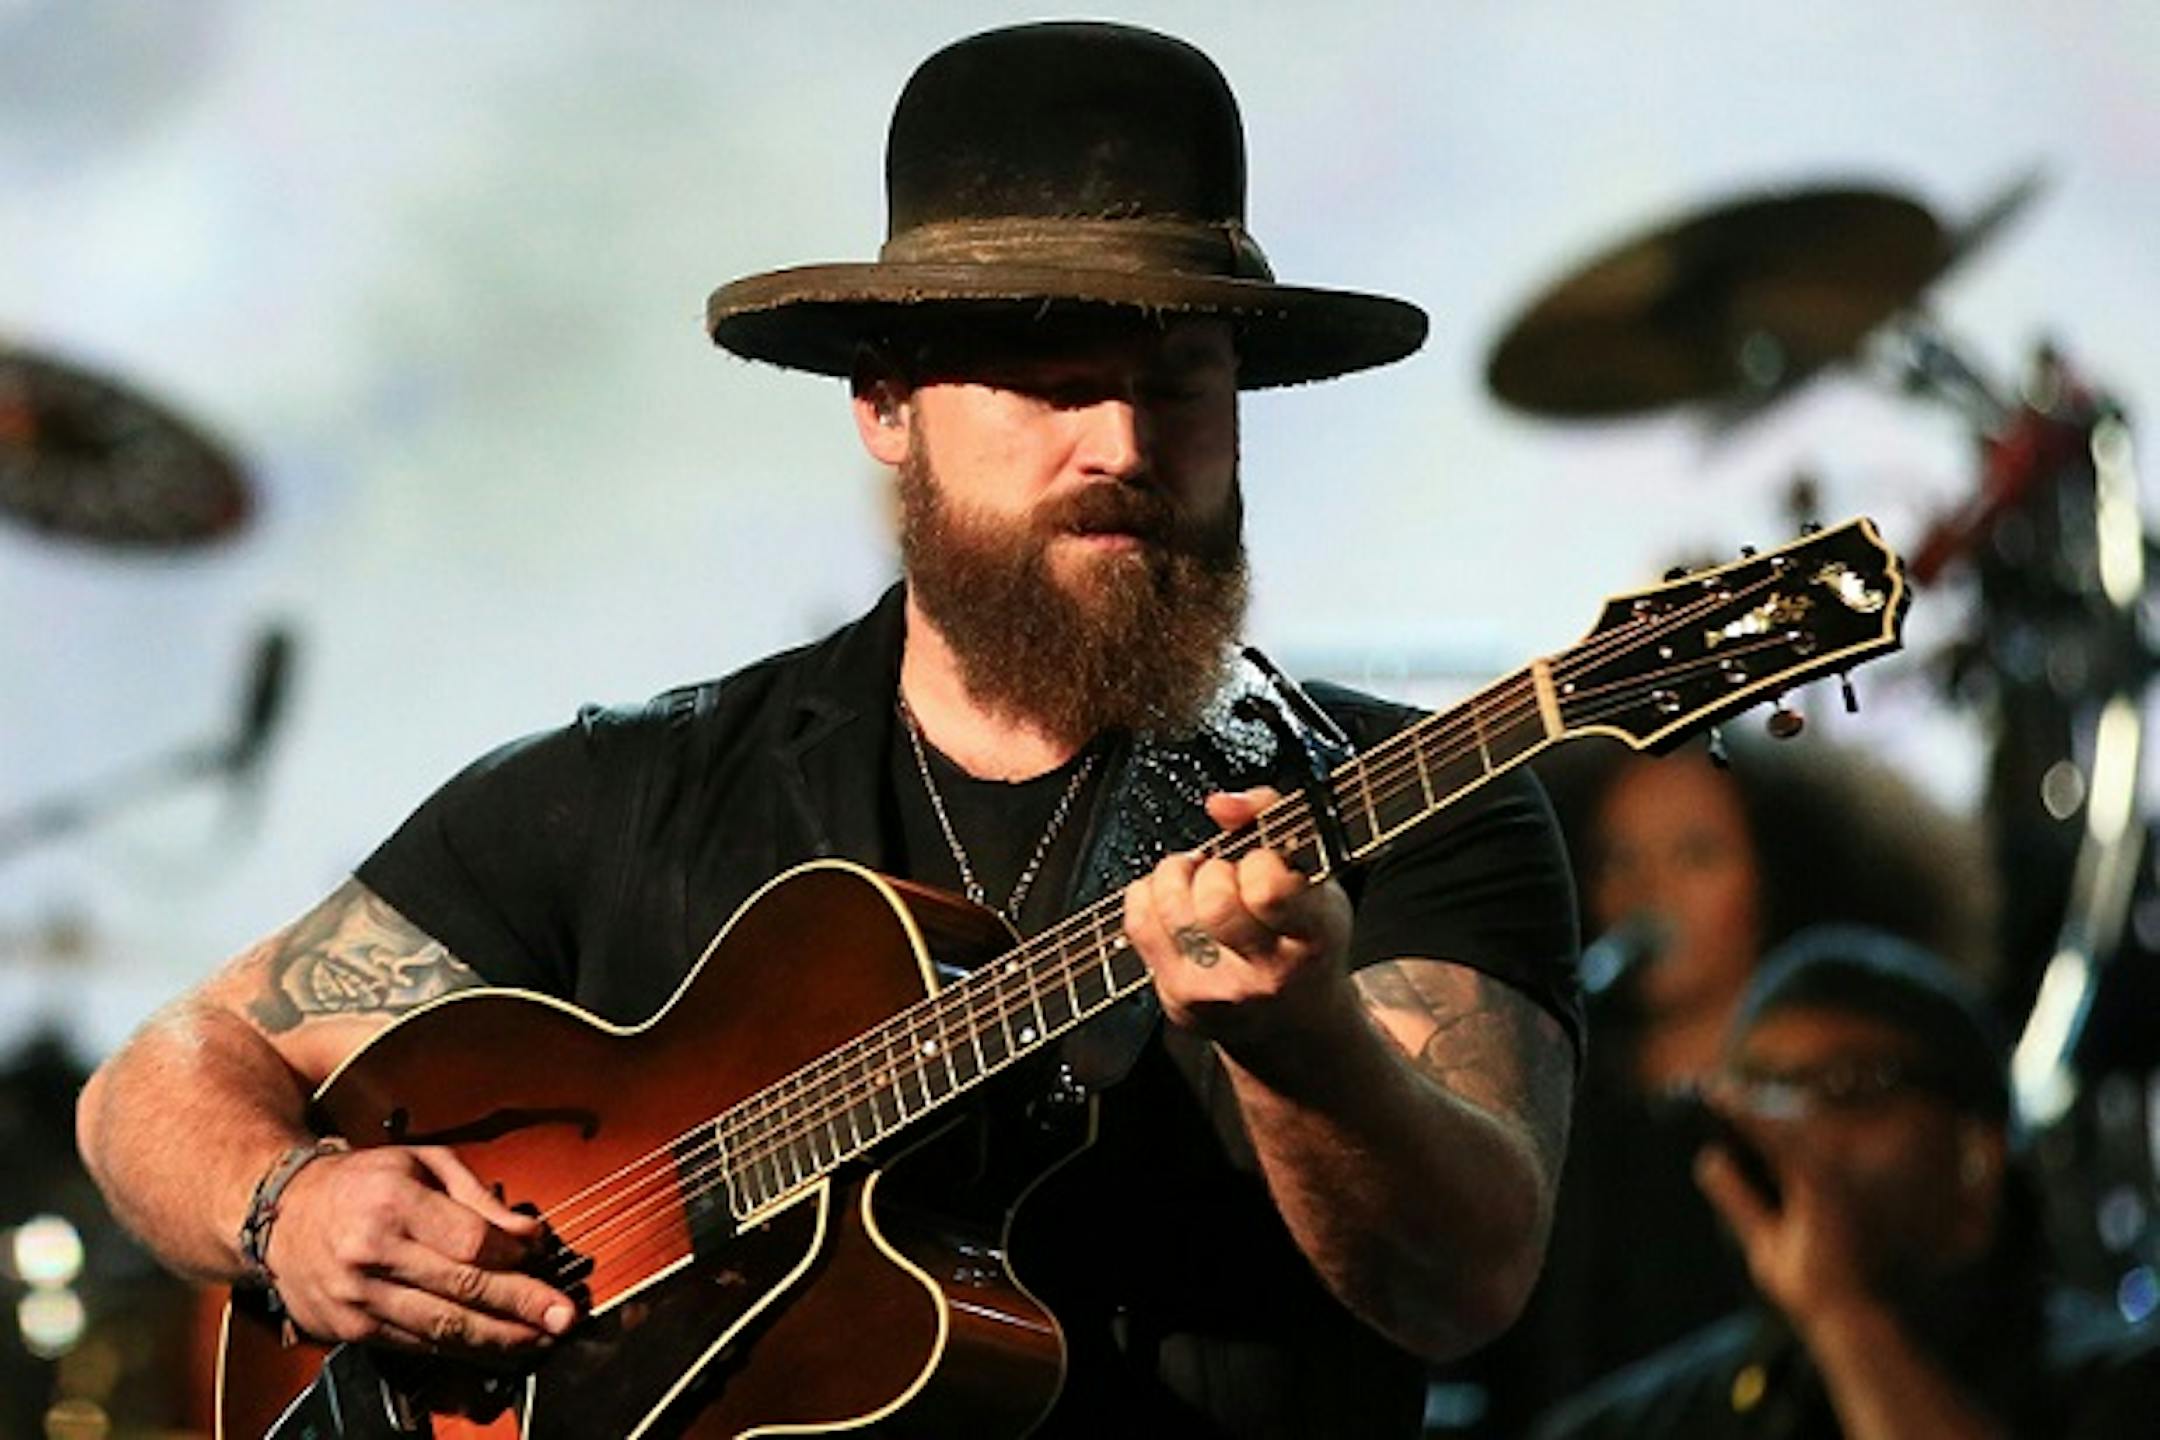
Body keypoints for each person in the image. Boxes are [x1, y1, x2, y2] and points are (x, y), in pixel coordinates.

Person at [74, 22, 1582, 1439]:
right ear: (885, 402)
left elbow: (1463, 1292)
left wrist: (1303, 1042)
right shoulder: (626, 794)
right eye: (1055, 382)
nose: (1120, 446)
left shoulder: (1411, 801)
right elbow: (159, 1080)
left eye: (1178, 384)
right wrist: (293, 1208)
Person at [1531, 926, 2160, 1439]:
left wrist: (1841, 1314)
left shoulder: (2122, 1387)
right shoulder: (1635, 1426)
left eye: (1847, 1088)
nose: (1787, 1127)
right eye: (1760, 1089)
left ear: (1978, 1152)